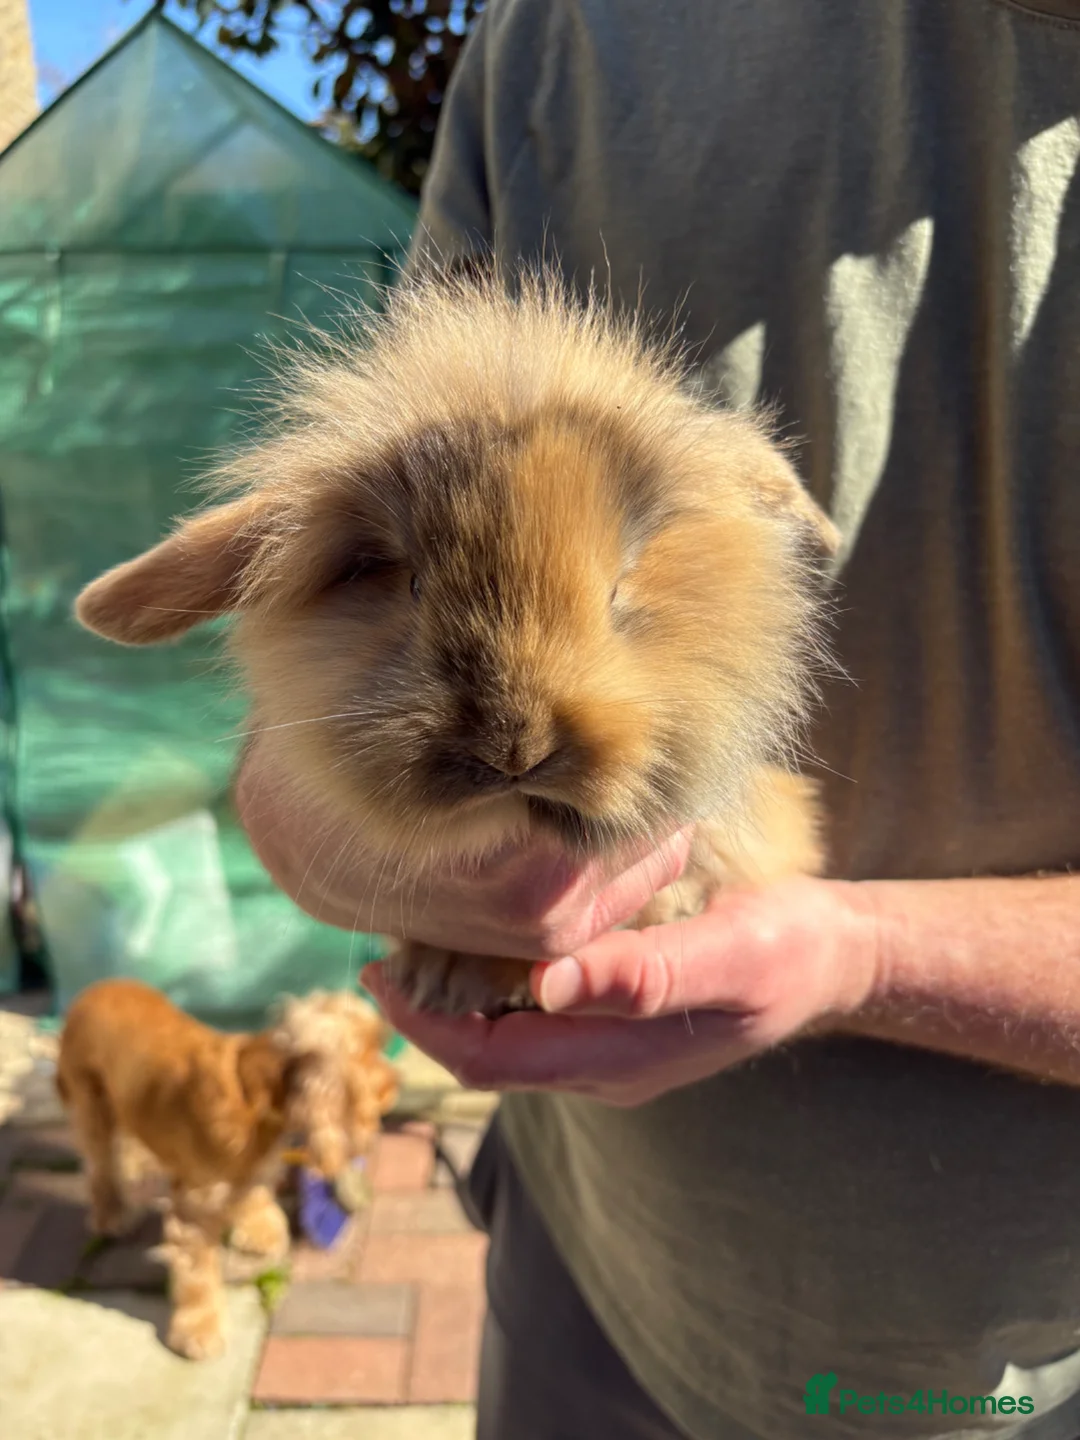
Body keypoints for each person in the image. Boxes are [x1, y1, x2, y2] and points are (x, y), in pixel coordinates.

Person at [236, 2, 1080, 1436]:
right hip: (587, 1272)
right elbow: (313, 649)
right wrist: (328, 827)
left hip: (1006, 1364)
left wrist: (859, 953)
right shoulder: (563, 39)